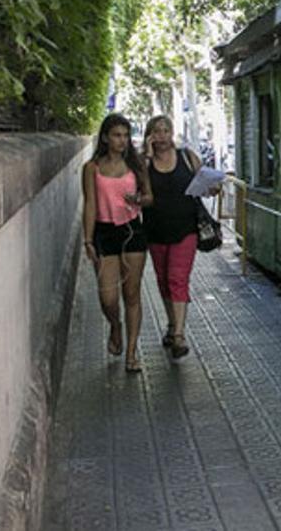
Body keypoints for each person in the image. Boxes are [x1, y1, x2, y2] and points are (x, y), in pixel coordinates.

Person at [82, 114, 153, 373]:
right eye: (116, 135)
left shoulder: (136, 165)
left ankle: (131, 354)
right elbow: (90, 204)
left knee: (131, 294)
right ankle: (115, 326)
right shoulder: (92, 168)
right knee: (108, 297)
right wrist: (87, 238)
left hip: (132, 231)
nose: (122, 140)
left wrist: (138, 200)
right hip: (103, 233)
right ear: (105, 137)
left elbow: (149, 198)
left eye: (125, 135)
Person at [141, 115, 208, 359]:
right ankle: (171, 325)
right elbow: (140, 189)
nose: (161, 137)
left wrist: (214, 186)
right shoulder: (143, 163)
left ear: (172, 133)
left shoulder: (187, 157)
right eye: (156, 132)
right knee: (163, 281)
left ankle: (179, 334)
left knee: (177, 278)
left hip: (186, 228)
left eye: (165, 131)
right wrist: (147, 157)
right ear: (149, 136)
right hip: (155, 230)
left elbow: (205, 182)